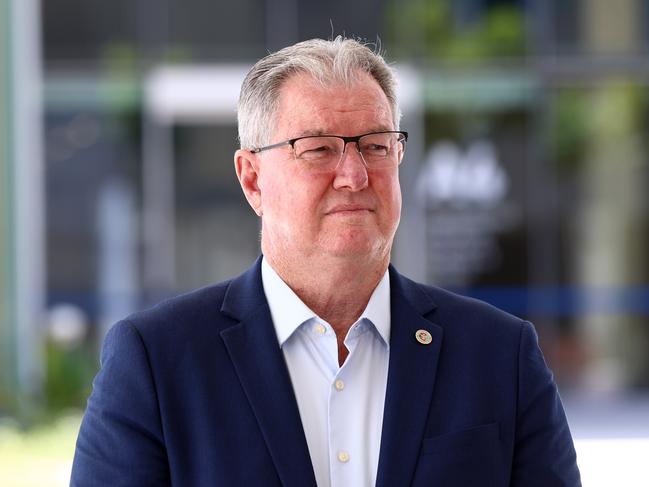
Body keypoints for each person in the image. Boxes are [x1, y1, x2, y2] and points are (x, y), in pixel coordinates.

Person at [71, 37, 581, 486]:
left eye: (377, 145)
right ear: (252, 179)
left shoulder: (500, 355)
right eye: (317, 149)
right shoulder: (157, 362)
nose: (355, 176)